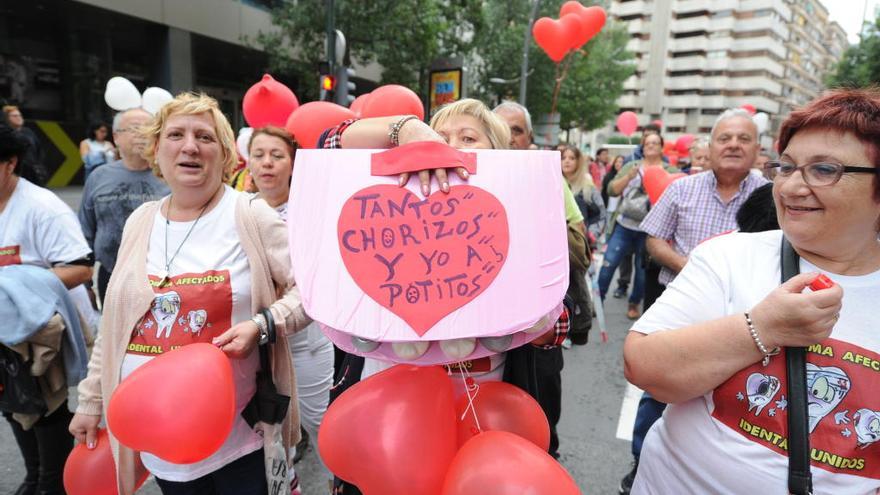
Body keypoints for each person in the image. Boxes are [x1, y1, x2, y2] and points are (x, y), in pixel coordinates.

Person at [623, 88, 880, 493]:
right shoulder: (729, 255)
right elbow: (645, 368)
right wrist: (762, 327)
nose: (793, 187)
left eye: (824, 170)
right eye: (788, 167)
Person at [321, 100, 572, 493]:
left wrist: (533, 319)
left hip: (486, 418)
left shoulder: (519, 218)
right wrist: (404, 129)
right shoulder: (388, 201)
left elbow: (558, 321)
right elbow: (329, 144)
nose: (449, 146)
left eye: (468, 138)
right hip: (389, 419)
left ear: (498, 158)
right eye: (440, 136)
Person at [69, 93, 312, 495]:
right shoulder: (140, 221)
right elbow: (114, 326)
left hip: (238, 438)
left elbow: (310, 291)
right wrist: (91, 402)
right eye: (176, 134)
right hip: (160, 436)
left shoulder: (249, 214)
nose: (190, 146)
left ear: (226, 157)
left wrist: (263, 325)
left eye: (205, 137)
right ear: (157, 151)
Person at [617, 109, 767, 494]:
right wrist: (695, 272)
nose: (733, 145)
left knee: (734, 400)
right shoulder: (682, 189)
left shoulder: (774, 196)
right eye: (724, 138)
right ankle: (642, 462)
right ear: (711, 146)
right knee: (656, 392)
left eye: (743, 139)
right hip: (683, 308)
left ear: (758, 149)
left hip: (752, 320)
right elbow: (653, 238)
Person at [0, 124, 92, 495]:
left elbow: (81, 267)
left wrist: (17, 284)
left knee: (45, 406)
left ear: (10, 163)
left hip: (44, 329)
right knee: (12, 401)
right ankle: (33, 476)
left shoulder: (42, 208)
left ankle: (54, 484)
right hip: (7, 330)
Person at [246, 126, 334, 494]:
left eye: (277, 155)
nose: (267, 163)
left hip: (306, 338)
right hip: (255, 341)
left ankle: (340, 482)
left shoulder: (313, 211)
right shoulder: (236, 210)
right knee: (271, 430)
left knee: (323, 422)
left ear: (293, 163)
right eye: (259, 154)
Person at [78, 108, 170, 305]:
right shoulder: (98, 177)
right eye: (134, 128)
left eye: (148, 128)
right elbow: (85, 231)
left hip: (162, 276)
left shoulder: (171, 174)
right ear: (116, 137)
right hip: (111, 273)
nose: (142, 134)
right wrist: (85, 284)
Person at [601, 134, 677, 320]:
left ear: (661, 147)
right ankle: (596, 301)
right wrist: (628, 176)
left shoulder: (671, 170)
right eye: (647, 143)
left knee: (642, 273)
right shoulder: (631, 165)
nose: (650, 146)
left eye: (655, 143)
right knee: (608, 265)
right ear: (642, 147)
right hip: (624, 226)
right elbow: (612, 190)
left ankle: (634, 304)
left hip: (651, 231)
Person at [562, 145, 606, 245]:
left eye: (572, 158)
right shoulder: (554, 184)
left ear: (579, 161)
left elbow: (601, 213)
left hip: (578, 242)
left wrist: (591, 235)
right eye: (563, 158)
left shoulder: (588, 186)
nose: (567, 161)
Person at [3, 105, 46, 186]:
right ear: (7, 118)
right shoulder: (5, 134)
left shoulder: (28, 132)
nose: (19, 117)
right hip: (15, 174)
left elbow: (38, 150)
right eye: (15, 116)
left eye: (19, 115)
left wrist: (39, 166)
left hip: (33, 173)